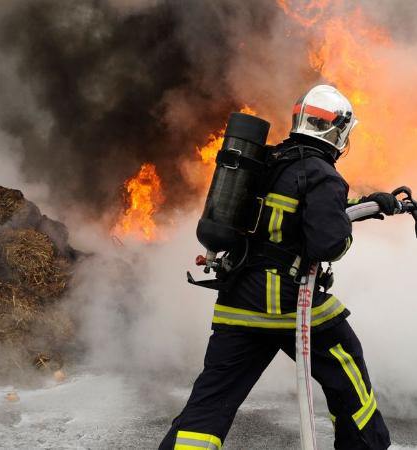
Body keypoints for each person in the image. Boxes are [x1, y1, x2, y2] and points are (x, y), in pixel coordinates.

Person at [160, 85, 397, 450]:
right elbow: (328, 242)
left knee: (210, 402)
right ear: (338, 131)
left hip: (237, 303)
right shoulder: (322, 174)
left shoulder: (269, 161)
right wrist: (345, 233)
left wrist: (369, 203)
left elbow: (296, 212)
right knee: (348, 372)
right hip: (288, 305)